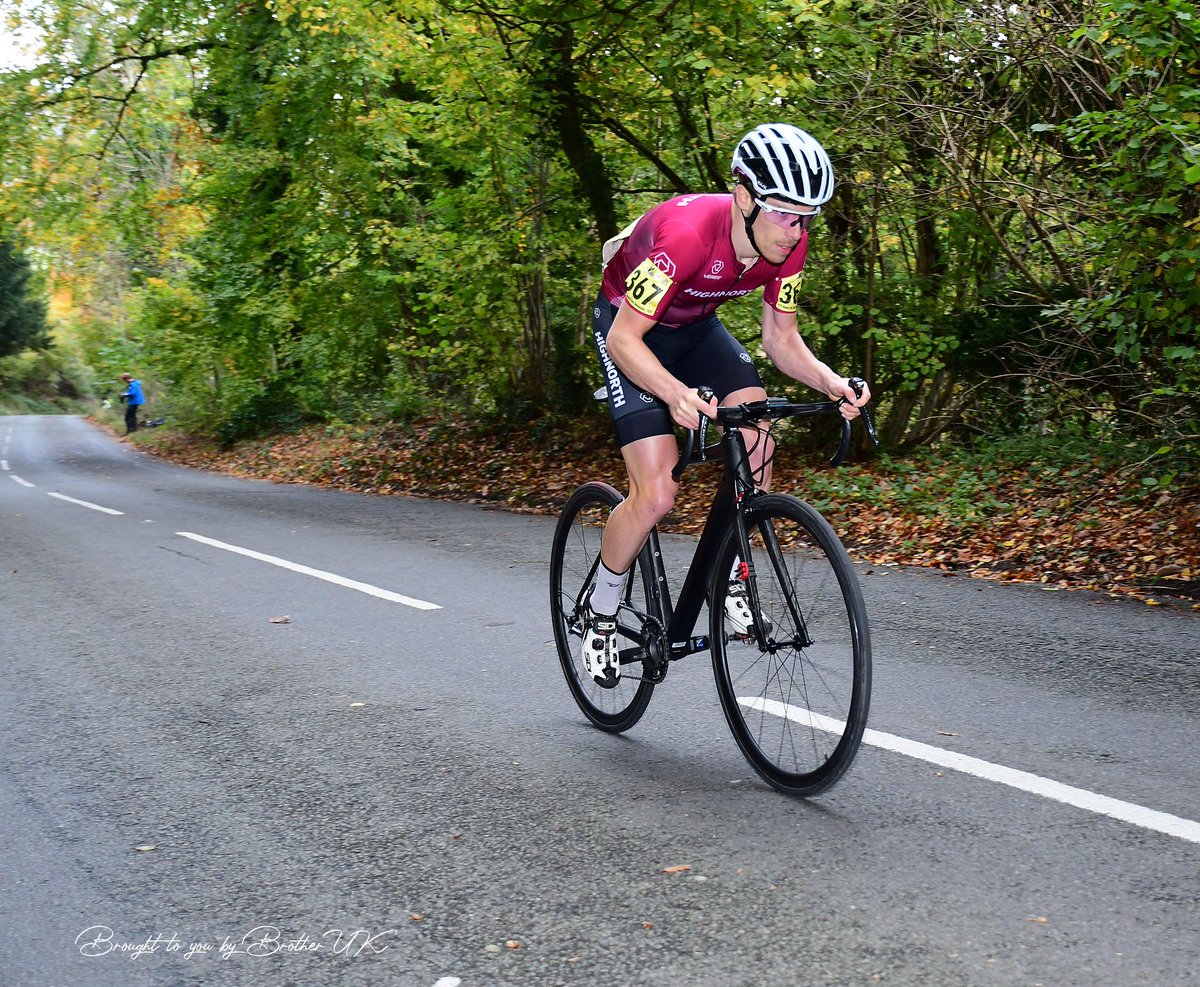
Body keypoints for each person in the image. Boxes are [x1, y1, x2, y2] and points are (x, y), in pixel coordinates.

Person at [583, 123, 871, 687]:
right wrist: (674, 392)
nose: (796, 230)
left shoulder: (789, 246)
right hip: (628, 329)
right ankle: (601, 607)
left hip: (694, 330)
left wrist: (830, 382)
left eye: (807, 217)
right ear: (744, 197)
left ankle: (732, 577)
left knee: (758, 426)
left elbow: (780, 340)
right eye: (785, 213)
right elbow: (624, 341)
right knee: (657, 493)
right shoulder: (686, 237)